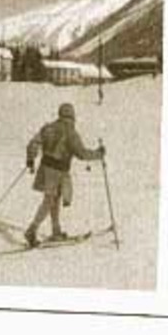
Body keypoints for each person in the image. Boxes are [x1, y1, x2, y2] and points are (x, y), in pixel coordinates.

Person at [23, 102, 104, 247]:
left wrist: (30, 159)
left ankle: (56, 230)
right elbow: (82, 154)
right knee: (49, 201)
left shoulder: (48, 128)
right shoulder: (71, 132)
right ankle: (32, 229)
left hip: (45, 168)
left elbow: (33, 143)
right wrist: (98, 154)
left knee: (54, 199)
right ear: (72, 116)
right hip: (58, 171)